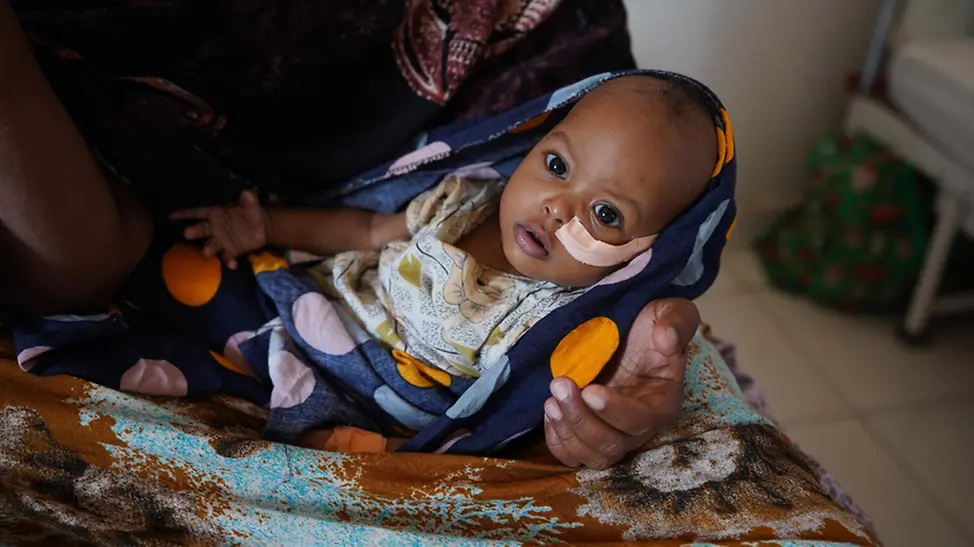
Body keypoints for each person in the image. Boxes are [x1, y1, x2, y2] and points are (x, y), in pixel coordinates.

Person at [0, 0, 701, 470]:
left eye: (605, 215)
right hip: (317, 294)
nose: (556, 207)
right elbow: (368, 227)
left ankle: (319, 420)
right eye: (553, 166)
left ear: (648, 250)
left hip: (380, 377)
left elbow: (558, 383)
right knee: (201, 288)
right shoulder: (463, 202)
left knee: (311, 391)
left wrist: (644, 344)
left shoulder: (553, 317)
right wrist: (265, 225)